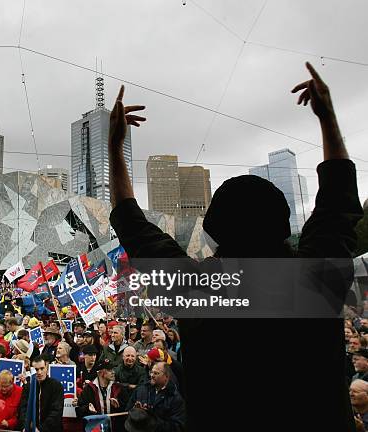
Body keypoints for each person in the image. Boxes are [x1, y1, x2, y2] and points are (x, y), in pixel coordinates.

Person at [108, 63, 363, 430]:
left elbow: (130, 222)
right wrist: (327, 117)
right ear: (282, 226)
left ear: (215, 232)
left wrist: (116, 145)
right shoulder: (313, 279)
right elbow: (338, 202)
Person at [126, 363, 185, 432]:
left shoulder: (175, 398)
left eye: (156, 373)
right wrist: (136, 412)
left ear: (166, 376)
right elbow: (127, 412)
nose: (151, 375)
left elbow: (178, 427)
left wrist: (151, 420)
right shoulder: (141, 389)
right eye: (151, 372)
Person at [75, 358, 127, 431]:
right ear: (101, 373)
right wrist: (87, 409)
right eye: (109, 370)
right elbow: (79, 411)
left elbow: (126, 410)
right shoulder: (89, 389)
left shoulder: (119, 388)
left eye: (113, 369)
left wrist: (118, 406)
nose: (113, 372)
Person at [18, 356, 64, 432]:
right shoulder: (28, 386)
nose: (39, 372)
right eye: (36, 369)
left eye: (42, 368)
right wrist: (25, 426)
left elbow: (56, 411)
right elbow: (23, 409)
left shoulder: (56, 386)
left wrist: (41, 429)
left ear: (46, 367)